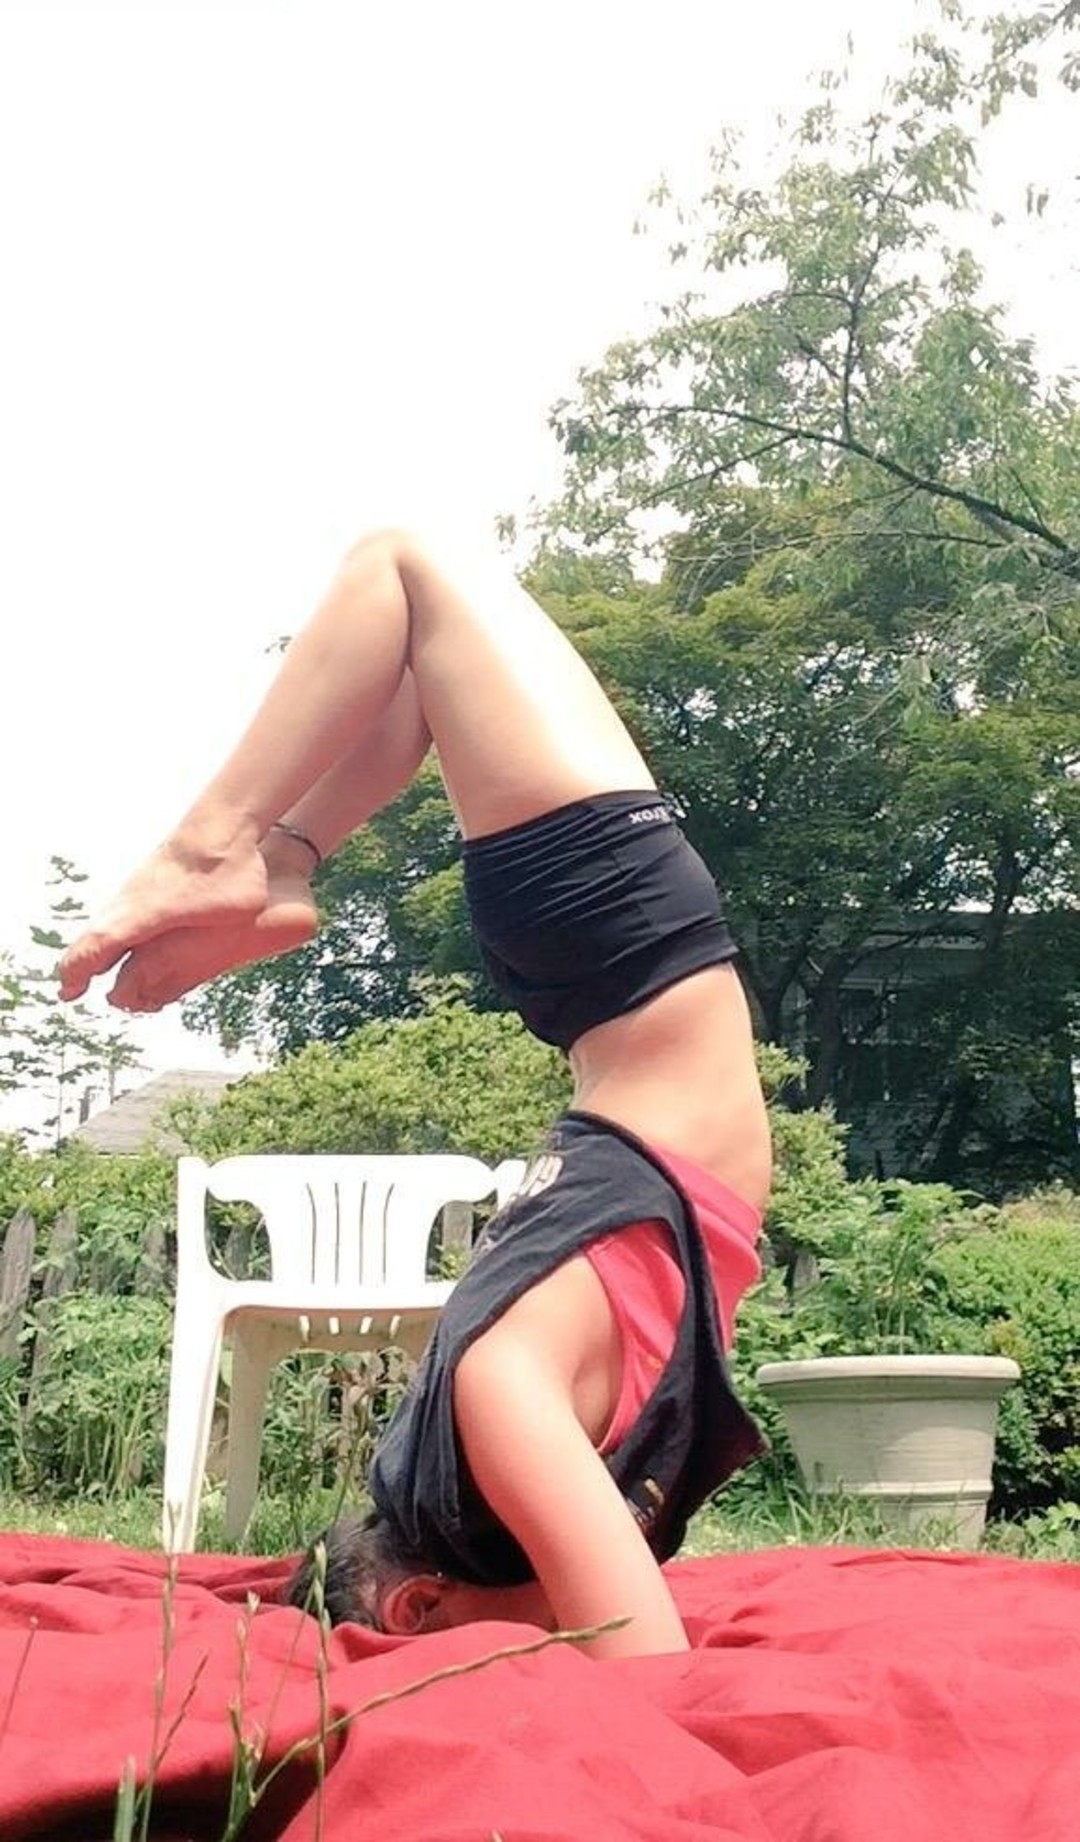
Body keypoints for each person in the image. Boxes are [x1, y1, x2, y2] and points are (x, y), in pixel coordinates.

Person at [59, 529, 772, 1659]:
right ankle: (283, 859)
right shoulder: (507, 1453)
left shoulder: (501, 1402)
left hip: (622, 949)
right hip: (603, 989)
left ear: (416, 1609)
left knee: (406, 571)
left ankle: (216, 850)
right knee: (422, 658)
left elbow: (649, 1671)